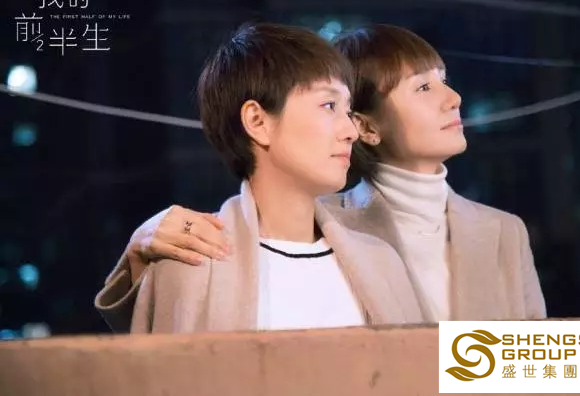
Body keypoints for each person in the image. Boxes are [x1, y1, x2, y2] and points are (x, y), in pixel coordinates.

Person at [96, 24, 546, 331]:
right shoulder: (194, 259)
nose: (348, 129)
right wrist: (142, 249)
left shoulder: (381, 260)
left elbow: (537, 371)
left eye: (347, 110)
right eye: (330, 106)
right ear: (257, 121)